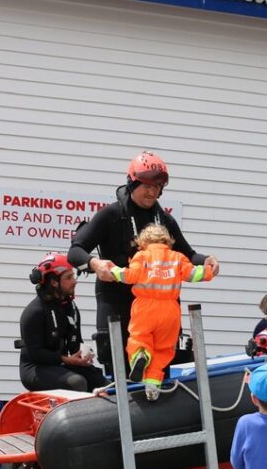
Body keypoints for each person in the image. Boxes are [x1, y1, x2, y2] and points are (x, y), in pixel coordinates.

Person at [68, 151, 220, 375]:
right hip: (117, 301)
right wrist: (95, 264)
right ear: (132, 183)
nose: (152, 192)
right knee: (120, 362)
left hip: (158, 308)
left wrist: (206, 260)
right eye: (147, 186)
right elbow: (75, 251)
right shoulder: (111, 215)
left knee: (162, 362)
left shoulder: (165, 220)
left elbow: (187, 254)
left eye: (157, 187)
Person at [109, 224, 214, 400]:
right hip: (170, 310)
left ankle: (140, 355)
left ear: (142, 243)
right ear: (168, 242)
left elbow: (129, 276)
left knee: (139, 339)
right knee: (163, 350)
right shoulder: (177, 257)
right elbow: (193, 274)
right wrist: (209, 271)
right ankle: (152, 386)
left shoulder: (141, 256)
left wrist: (113, 270)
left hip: (145, 308)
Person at [19, 253, 107, 393]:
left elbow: (75, 343)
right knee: (77, 383)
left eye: (73, 276)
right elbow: (36, 354)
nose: (74, 281)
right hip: (35, 368)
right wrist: (66, 360)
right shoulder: (34, 312)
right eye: (69, 277)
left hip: (60, 364)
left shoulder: (71, 308)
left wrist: (83, 355)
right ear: (54, 282)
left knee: (104, 384)